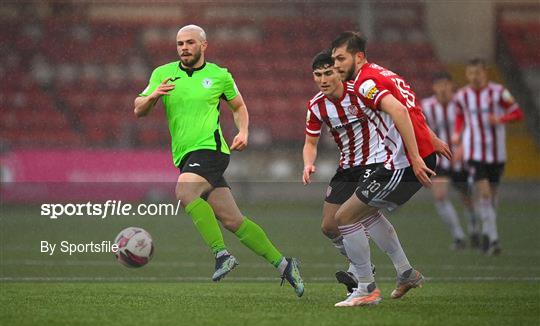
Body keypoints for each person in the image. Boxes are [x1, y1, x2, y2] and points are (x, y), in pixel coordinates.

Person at [133, 24, 304, 296]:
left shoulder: (220, 75)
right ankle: (285, 265)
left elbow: (239, 106)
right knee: (233, 220)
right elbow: (138, 109)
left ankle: (221, 254)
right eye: (180, 44)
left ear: (204, 45)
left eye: (190, 42)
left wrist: (244, 130)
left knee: (185, 191)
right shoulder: (163, 74)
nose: (184, 48)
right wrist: (153, 96)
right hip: (185, 154)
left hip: (211, 150)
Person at [330, 31, 451, 307]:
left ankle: (366, 289)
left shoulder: (365, 83)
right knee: (367, 214)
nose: (336, 65)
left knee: (345, 217)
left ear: (358, 57)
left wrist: (416, 157)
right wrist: (431, 139)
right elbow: (411, 106)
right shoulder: (384, 74)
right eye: (334, 59)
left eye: (341, 59)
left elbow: (399, 111)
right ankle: (406, 273)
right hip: (406, 157)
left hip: (405, 162)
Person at [302, 50, 386, 294]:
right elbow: (310, 143)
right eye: (318, 75)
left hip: (375, 163)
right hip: (348, 167)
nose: (323, 79)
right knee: (329, 226)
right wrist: (308, 163)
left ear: (339, 71)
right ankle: (364, 267)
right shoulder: (316, 106)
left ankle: (363, 275)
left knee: (353, 217)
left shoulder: (359, 93)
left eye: (328, 73)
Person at [452, 58, 524, 255]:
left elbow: (517, 113)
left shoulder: (499, 92)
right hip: (474, 152)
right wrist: (458, 133)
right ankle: (493, 239)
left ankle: (487, 231)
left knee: (492, 196)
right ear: (467, 74)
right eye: (471, 73)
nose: (475, 77)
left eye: (478, 73)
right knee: (484, 193)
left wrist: (500, 119)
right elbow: (460, 115)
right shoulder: (462, 95)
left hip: (496, 153)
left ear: (485, 73)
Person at [421, 72, 478, 250]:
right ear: (434, 87)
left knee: (467, 198)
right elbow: (422, 130)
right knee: (440, 196)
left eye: (446, 84)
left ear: (452, 86)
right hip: (441, 160)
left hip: (462, 159)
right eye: (439, 85)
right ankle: (458, 236)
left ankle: (474, 231)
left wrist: (463, 148)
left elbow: (473, 128)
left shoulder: (462, 104)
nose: (443, 89)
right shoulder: (427, 106)